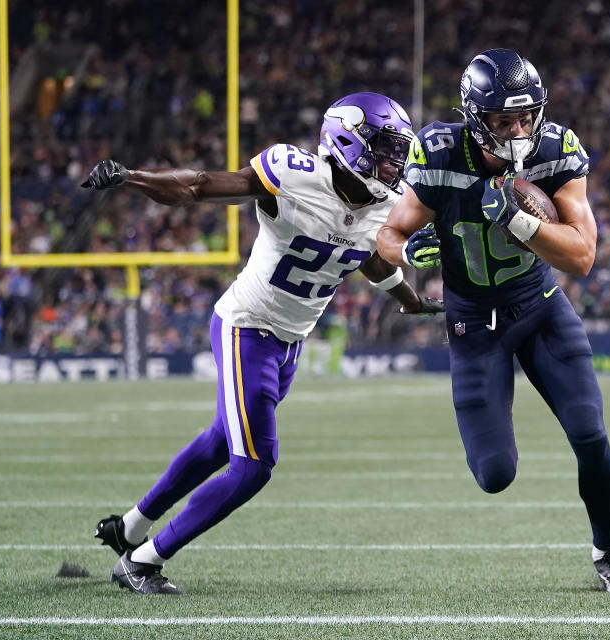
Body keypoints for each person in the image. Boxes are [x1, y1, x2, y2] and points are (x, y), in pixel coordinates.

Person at [82, 92, 443, 594]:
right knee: (253, 465)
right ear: (345, 140)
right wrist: (132, 177)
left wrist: (409, 299)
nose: (393, 161)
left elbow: (372, 259)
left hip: (288, 343)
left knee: (219, 443)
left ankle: (129, 529)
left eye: (398, 150)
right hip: (247, 326)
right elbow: (198, 185)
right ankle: (142, 561)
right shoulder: (292, 175)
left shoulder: (385, 203)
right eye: (383, 147)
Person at [377, 49, 610, 594]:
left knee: (591, 433)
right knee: (494, 474)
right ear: (476, 118)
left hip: (540, 308)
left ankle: (607, 554)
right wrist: (408, 252)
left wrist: (519, 221)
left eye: (525, 116)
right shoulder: (439, 149)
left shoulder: (557, 149)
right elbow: (389, 233)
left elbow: (583, 256)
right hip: (474, 327)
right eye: (504, 120)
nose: (519, 130)